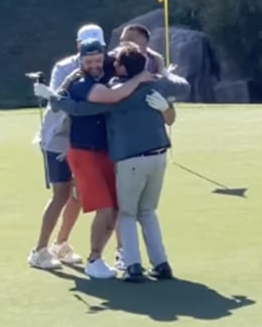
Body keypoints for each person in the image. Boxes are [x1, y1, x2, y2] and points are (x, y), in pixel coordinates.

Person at [58, 42, 189, 281]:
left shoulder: (116, 92)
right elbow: (184, 86)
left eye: (115, 61)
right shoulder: (154, 86)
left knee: (127, 213)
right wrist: (165, 88)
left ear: (122, 68)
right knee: (148, 212)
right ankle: (161, 264)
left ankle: (133, 266)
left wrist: (58, 100)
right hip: (159, 157)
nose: (110, 64)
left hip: (132, 160)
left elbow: (82, 110)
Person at [35, 35, 156, 278]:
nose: (94, 65)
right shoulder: (80, 83)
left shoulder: (109, 71)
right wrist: (139, 81)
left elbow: (142, 62)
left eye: (97, 60)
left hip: (105, 152)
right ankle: (90, 258)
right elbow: (110, 99)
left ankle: (93, 252)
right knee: (98, 205)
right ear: (80, 60)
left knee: (114, 207)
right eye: (88, 61)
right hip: (82, 151)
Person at [27, 22, 105, 271]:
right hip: (57, 136)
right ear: (78, 46)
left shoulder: (105, 64)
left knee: (79, 194)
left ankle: (61, 244)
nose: (93, 54)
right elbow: (61, 102)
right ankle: (39, 251)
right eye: (85, 46)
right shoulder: (64, 68)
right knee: (61, 194)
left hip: (82, 139)